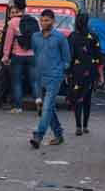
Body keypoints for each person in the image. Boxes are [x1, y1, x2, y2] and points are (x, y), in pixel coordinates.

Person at [30, 9, 71, 149]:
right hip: (40, 76)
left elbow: (67, 59)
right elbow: (36, 54)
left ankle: (38, 135)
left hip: (55, 77)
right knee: (49, 108)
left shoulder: (60, 38)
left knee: (46, 107)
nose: (43, 23)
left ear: (53, 21)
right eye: (41, 20)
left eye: (46, 20)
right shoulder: (35, 37)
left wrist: (60, 71)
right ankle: (58, 134)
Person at [67, 13, 104, 136]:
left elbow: (69, 57)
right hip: (91, 71)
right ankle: (85, 126)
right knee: (87, 99)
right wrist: (100, 74)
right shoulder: (93, 36)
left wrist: (67, 72)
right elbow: (99, 57)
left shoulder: (72, 37)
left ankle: (78, 126)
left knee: (78, 98)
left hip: (76, 72)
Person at [1, 0, 39, 114]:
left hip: (17, 56)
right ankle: (38, 100)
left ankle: (18, 107)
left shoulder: (12, 22)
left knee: (17, 81)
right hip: (32, 55)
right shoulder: (34, 20)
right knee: (34, 81)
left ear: (16, 7)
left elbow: (8, 41)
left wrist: (5, 56)